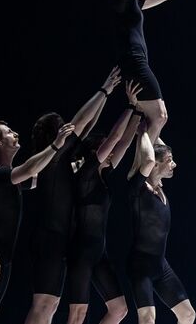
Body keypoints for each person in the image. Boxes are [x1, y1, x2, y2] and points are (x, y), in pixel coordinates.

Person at [24, 68, 122, 324]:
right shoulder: (53, 156)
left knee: (50, 305)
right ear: (53, 133)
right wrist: (105, 90)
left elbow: (87, 125)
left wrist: (105, 97)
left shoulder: (64, 157)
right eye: (62, 126)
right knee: (43, 304)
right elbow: (80, 121)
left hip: (59, 238)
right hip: (49, 237)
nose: (68, 129)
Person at [94, 0, 196, 152]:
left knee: (153, 119)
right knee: (159, 116)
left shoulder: (130, 0)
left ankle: (145, 164)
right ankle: (143, 166)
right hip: (133, 62)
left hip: (135, 62)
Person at [0, 120, 75, 324]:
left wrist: (79, 165)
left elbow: (44, 176)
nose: (15, 133)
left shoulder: (12, 178)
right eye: (9, 132)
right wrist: (56, 144)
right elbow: (29, 169)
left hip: (3, 259)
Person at [66, 81, 145, 324]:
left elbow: (125, 142)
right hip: (80, 250)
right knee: (77, 314)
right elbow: (114, 138)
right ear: (95, 152)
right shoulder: (87, 172)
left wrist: (138, 111)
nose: (111, 152)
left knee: (119, 309)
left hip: (99, 252)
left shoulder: (105, 172)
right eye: (104, 149)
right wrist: (130, 105)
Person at [125, 130, 196, 324]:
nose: (174, 164)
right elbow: (148, 158)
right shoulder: (138, 187)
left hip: (160, 265)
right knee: (148, 319)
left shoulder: (159, 187)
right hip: (140, 266)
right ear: (155, 165)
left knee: (188, 315)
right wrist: (143, 131)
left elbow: (159, 150)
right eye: (170, 161)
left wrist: (156, 124)